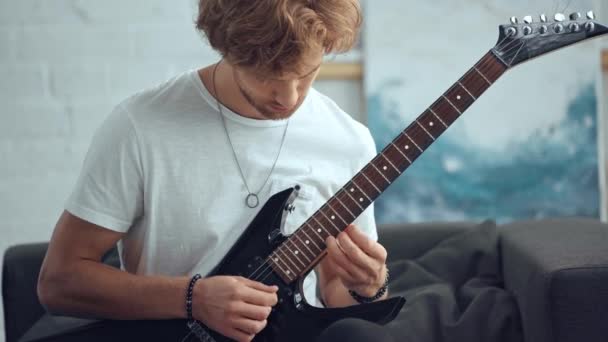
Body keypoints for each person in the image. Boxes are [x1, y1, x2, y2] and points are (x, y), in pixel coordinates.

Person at [37, 1, 396, 341]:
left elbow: (336, 296)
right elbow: (59, 282)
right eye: (267, 75)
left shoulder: (349, 141)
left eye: (307, 74)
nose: (288, 97)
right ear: (228, 47)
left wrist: (369, 288)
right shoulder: (140, 127)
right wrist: (192, 298)